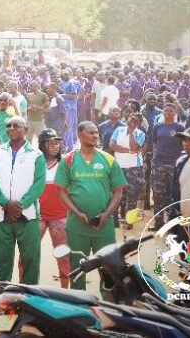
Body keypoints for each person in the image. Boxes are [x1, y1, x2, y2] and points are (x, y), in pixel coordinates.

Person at [55, 121, 126, 290]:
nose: (96, 135)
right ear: (80, 135)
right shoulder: (68, 160)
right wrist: (77, 213)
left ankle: (108, 304)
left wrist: (106, 214)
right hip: (77, 226)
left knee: (109, 268)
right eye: (91, 132)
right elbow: (61, 191)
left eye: (96, 132)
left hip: (104, 226)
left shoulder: (108, 159)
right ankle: (81, 306)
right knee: (78, 269)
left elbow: (118, 191)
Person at [0, 116, 46, 286]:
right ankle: (3, 298)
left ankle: (29, 300)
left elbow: (39, 184)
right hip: (1, 216)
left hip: (28, 216)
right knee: (2, 260)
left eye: (16, 125)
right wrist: (6, 204)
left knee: (30, 260)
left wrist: (19, 206)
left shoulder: (36, 155)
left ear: (26, 130)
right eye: (8, 125)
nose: (11, 128)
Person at [28, 129, 70, 288]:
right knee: (29, 254)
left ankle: (65, 292)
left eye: (57, 143)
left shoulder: (65, 163)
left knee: (63, 255)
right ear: (42, 145)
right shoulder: (34, 163)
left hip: (60, 216)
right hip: (38, 216)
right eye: (51, 143)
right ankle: (28, 290)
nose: (55, 147)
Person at [147, 103, 185, 228]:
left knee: (173, 194)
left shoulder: (179, 127)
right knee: (158, 194)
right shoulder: (157, 126)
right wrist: (154, 158)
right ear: (163, 112)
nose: (168, 112)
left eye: (171, 110)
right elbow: (154, 143)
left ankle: (171, 223)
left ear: (175, 113)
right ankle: (158, 223)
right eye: (166, 110)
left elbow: (184, 145)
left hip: (174, 164)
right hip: (159, 163)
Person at [109, 111, 146, 228]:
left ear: (139, 123)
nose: (132, 121)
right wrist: (128, 151)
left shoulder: (140, 134)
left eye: (135, 121)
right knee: (117, 194)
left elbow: (135, 146)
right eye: (131, 118)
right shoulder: (118, 130)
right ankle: (115, 221)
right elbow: (112, 145)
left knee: (132, 195)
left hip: (134, 167)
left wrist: (131, 133)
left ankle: (129, 221)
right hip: (118, 166)